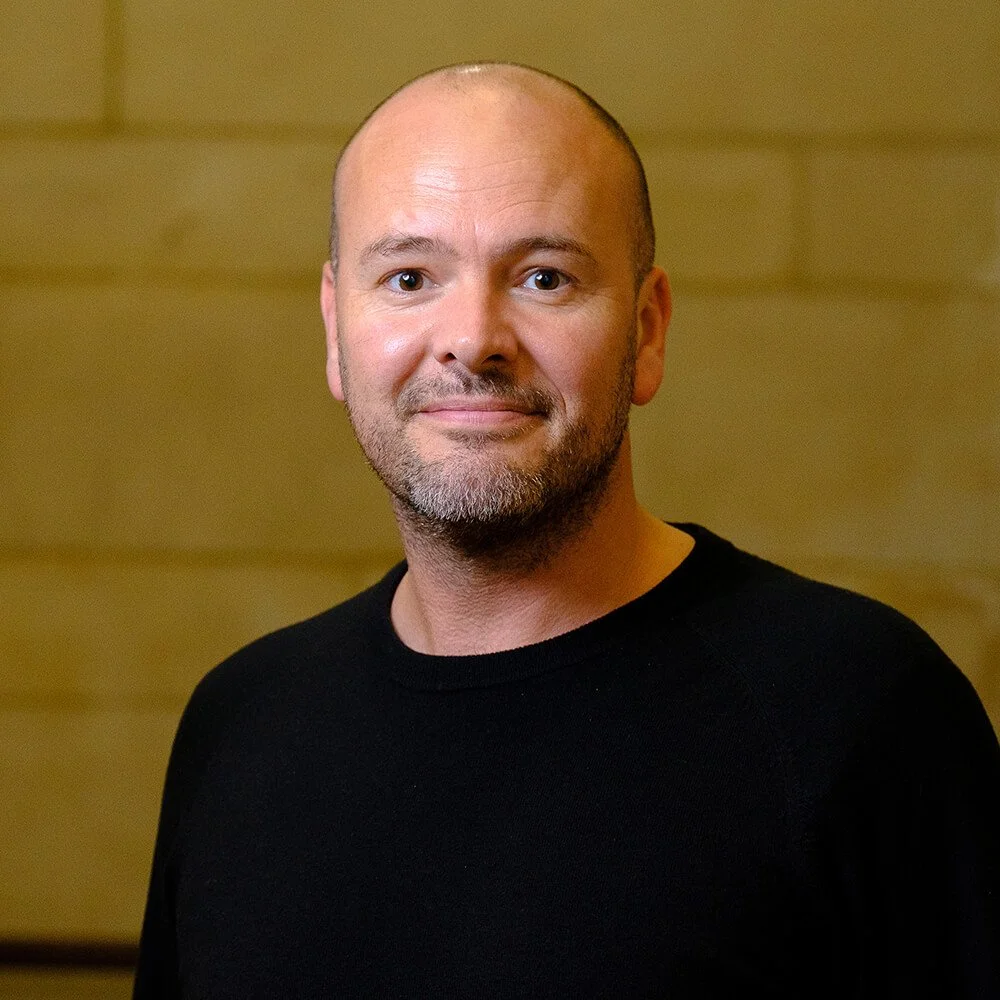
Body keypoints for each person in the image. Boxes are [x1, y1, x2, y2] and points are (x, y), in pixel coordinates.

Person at [133, 63, 999, 997]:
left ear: (649, 331)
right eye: (410, 276)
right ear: (337, 333)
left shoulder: (861, 714)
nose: (472, 337)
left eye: (545, 277)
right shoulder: (242, 725)